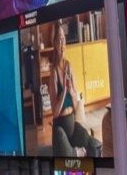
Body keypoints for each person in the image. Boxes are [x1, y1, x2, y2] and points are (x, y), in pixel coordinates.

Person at [42, 22, 103, 156]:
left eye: (64, 38)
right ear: (55, 43)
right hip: (60, 130)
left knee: (86, 138)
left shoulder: (69, 66)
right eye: (59, 38)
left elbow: (76, 104)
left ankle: (75, 152)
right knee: (59, 135)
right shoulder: (53, 71)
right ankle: (75, 152)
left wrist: (71, 91)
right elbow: (55, 112)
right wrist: (64, 92)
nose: (62, 42)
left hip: (72, 126)